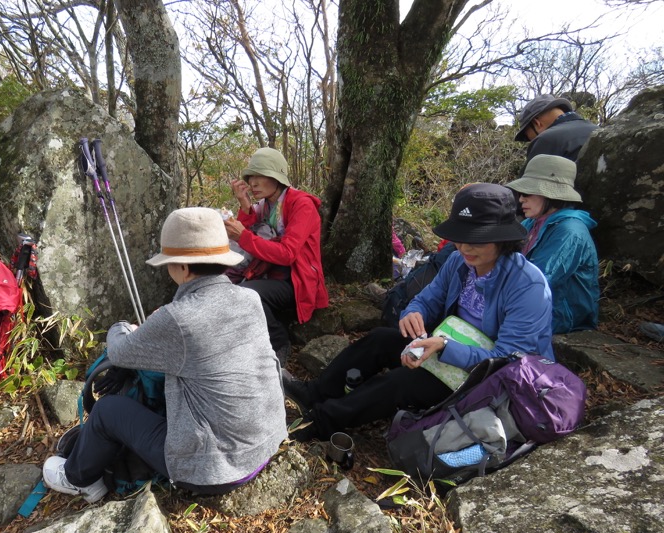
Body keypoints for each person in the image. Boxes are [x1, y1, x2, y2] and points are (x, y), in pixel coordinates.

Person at [43, 207, 287, 502]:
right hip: (265, 444)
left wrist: (123, 326)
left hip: (215, 469)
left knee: (109, 411)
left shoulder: (179, 318)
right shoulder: (250, 298)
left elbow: (120, 353)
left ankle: (76, 478)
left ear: (182, 268)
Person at [283, 183, 554, 442]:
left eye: (477, 240)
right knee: (380, 339)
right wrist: (413, 313)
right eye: (461, 238)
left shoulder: (526, 285)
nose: (465, 247)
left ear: (503, 239)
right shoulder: (460, 263)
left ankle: (321, 421)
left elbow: (507, 361)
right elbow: (427, 299)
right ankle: (315, 393)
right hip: (446, 347)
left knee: (402, 382)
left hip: (488, 382)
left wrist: (445, 347)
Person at [224, 148, 328, 364]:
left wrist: (243, 236)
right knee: (223, 286)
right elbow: (250, 239)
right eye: (250, 177)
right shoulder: (264, 205)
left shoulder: (302, 204)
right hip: (267, 274)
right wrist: (244, 205)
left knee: (243, 294)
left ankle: (279, 341)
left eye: (259, 176)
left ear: (276, 177)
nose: (253, 183)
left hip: (296, 280)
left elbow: (288, 254)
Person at [505, 154, 600, 334]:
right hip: (536, 307)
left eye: (527, 193)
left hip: (563, 318)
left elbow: (539, 280)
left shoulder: (570, 231)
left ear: (548, 193)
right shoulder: (531, 223)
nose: (521, 199)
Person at [515, 94, 597, 164]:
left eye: (531, 139)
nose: (532, 141)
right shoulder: (598, 130)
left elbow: (530, 181)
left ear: (537, 123)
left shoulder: (546, 140)